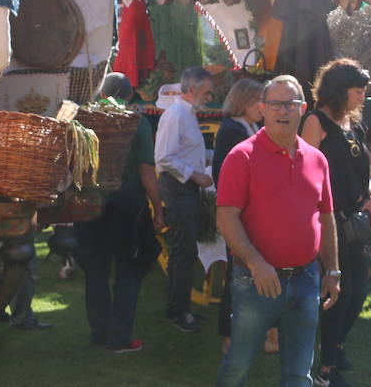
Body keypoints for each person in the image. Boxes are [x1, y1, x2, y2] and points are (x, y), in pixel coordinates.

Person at [205, 75, 343, 387]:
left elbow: (327, 217)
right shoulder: (242, 157)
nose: (284, 110)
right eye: (276, 103)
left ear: (303, 109)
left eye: (292, 103)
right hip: (255, 281)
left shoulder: (317, 160)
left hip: (304, 281)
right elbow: (225, 216)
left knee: (299, 371)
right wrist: (256, 263)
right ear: (261, 108)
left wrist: (332, 269)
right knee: (239, 361)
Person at [302, 58, 371, 387]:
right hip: (328, 221)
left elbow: (365, 173)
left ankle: (334, 348)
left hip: (355, 223)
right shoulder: (315, 122)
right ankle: (326, 370)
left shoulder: (353, 124)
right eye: (357, 92)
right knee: (339, 295)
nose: (362, 98)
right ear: (338, 91)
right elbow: (305, 175)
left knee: (358, 293)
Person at [72, 73, 165, 353]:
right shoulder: (137, 123)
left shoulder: (84, 120)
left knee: (96, 271)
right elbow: (146, 170)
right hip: (127, 203)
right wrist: (158, 208)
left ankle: (100, 334)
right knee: (129, 270)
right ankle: (120, 337)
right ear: (128, 95)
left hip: (90, 203)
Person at [155, 66, 215, 333]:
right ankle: (180, 311)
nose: (210, 96)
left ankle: (179, 308)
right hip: (177, 187)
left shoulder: (186, 114)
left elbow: (183, 152)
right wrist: (196, 176)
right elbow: (164, 158)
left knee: (185, 250)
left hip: (185, 186)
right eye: (207, 91)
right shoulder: (176, 114)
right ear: (192, 90)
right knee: (184, 250)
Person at [212, 77, 268, 354]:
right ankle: (229, 337)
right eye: (259, 101)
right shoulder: (232, 130)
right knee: (237, 277)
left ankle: (253, 333)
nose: (263, 106)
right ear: (244, 101)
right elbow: (224, 176)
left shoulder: (252, 126)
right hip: (237, 213)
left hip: (254, 212)